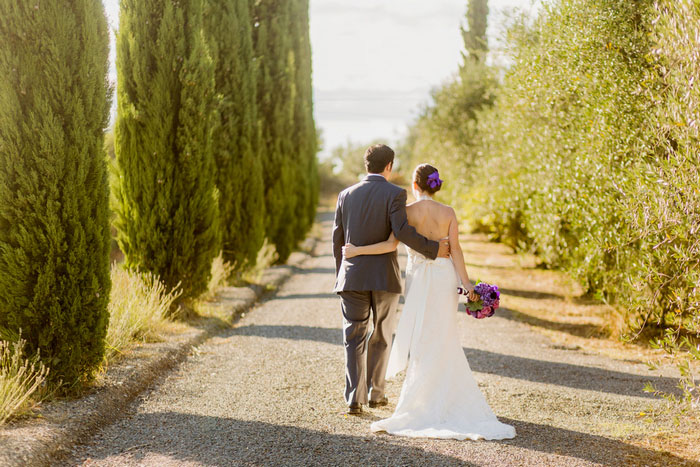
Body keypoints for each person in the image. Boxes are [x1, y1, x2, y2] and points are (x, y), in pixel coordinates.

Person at [343, 163, 516, 440]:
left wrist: (357, 250)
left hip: (420, 279)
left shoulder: (407, 212)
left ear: (415, 184)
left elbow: (389, 246)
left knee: (422, 337)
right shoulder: (448, 212)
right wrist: (466, 284)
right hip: (445, 278)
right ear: (435, 185)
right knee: (445, 335)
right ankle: (447, 396)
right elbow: (456, 249)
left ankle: (422, 400)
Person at [332, 145, 451, 415]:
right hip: (384, 277)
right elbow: (402, 231)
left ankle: (354, 398)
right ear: (389, 167)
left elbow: (337, 240)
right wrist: (433, 249)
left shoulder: (345, 195)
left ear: (367, 165)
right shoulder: (395, 194)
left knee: (353, 337)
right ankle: (376, 393)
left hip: (351, 278)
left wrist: (342, 274)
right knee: (382, 335)